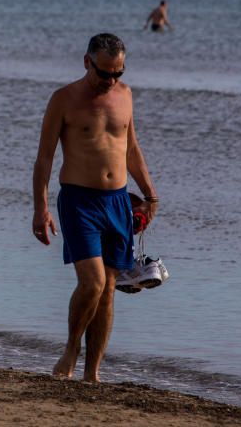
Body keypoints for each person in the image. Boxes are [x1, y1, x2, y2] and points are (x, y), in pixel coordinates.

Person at [31, 33, 159, 382]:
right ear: (87, 62)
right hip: (78, 201)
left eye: (118, 73)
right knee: (93, 283)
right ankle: (71, 348)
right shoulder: (64, 99)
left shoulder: (126, 96)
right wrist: (40, 208)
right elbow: (44, 158)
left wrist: (150, 194)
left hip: (117, 201)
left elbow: (132, 148)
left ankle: (93, 374)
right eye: (105, 73)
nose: (111, 80)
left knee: (107, 293)